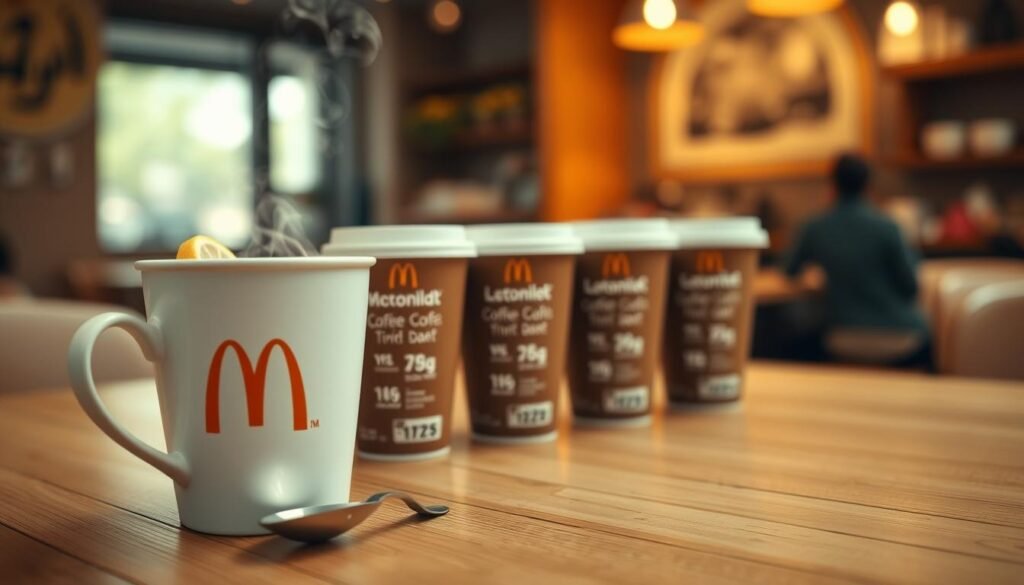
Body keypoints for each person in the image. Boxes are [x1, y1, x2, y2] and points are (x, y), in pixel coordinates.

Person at [784, 154, 930, 367]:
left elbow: (788, 270)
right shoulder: (887, 226)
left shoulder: (814, 227)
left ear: (832, 185)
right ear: (868, 185)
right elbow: (910, 286)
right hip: (899, 335)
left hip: (841, 334)